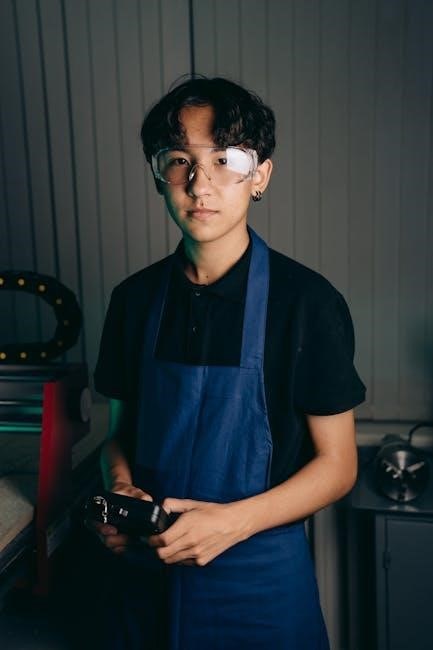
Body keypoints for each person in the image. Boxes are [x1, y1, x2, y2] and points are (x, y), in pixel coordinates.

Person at [92, 76, 366, 649]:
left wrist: (231, 523)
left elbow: (338, 465)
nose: (201, 184)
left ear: (259, 175)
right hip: (146, 578)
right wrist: (120, 493)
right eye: (180, 161)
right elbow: (119, 436)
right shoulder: (133, 300)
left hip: (259, 586)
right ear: (159, 175)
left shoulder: (306, 303)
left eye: (225, 160)